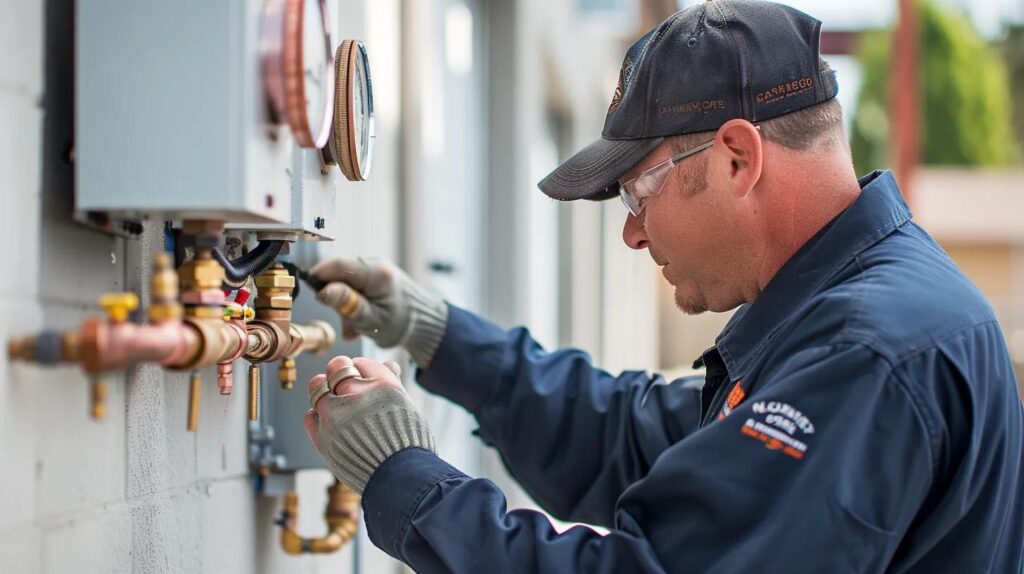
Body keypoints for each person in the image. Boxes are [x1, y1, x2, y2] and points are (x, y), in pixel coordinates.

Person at [301, 1, 1024, 572]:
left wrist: (410, 484)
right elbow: (632, 437)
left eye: (639, 191)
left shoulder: (867, 353)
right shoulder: (838, 319)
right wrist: (441, 335)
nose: (633, 233)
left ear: (738, 158)